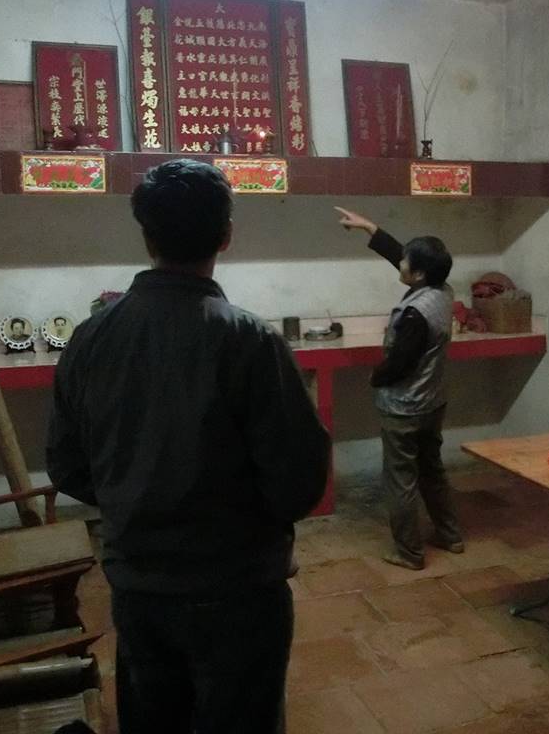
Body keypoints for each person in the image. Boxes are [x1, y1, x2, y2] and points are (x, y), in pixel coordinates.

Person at [47, 159, 330, 733]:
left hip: (138, 584)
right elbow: (298, 482)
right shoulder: (250, 341)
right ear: (226, 235)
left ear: (147, 236)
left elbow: (67, 465)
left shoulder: (92, 337)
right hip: (238, 587)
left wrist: (135, 494)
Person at [334, 206, 463, 570]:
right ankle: (450, 536)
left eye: (407, 260)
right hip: (433, 402)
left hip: (405, 407)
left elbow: (399, 364)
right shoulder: (442, 291)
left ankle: (408, 552)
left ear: (418, 273)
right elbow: (402, 258)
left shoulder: (414, 314)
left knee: (400, 479)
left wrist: (375, 377)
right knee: (431, 469)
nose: (401, 262)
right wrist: (369, 228)